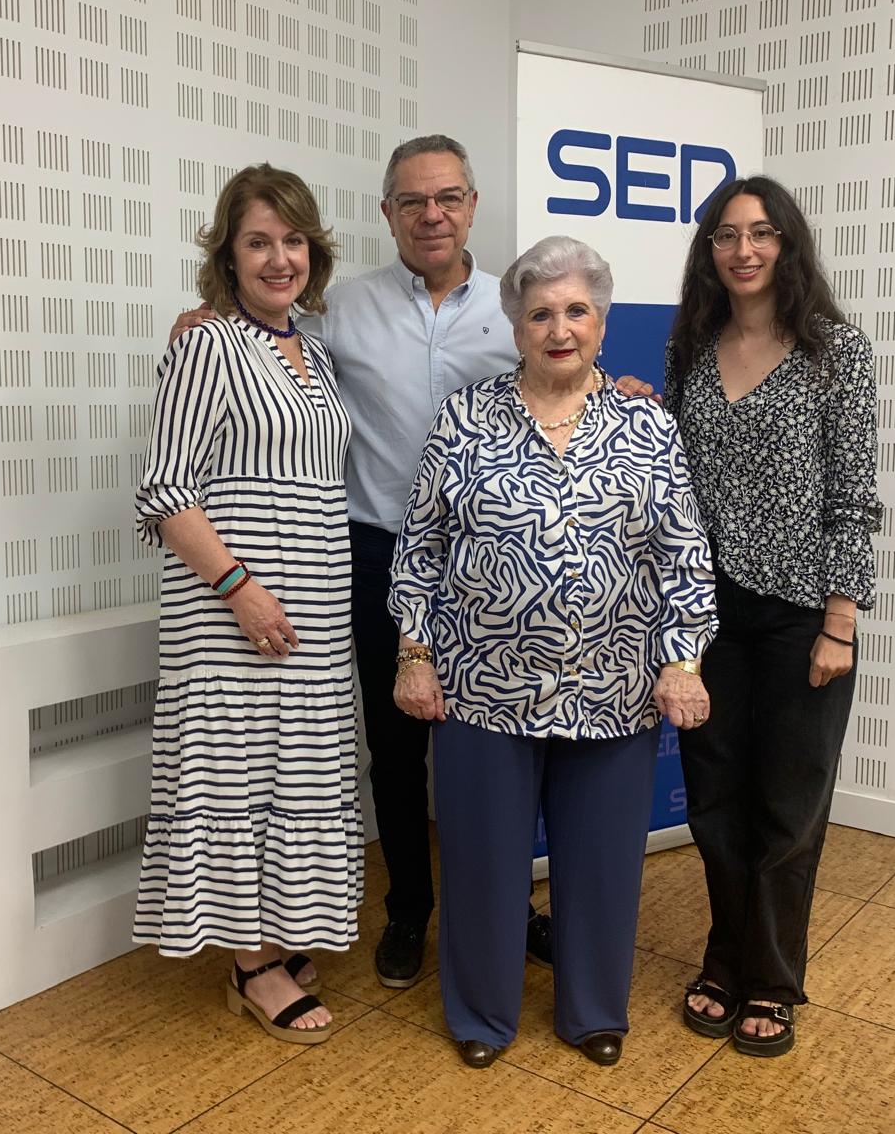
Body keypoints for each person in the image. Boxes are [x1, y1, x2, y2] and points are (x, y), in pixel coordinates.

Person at [171, 136, 548, 991]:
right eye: (412, 201)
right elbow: (253, 337)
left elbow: (567, 373)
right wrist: (204, 316)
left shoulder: (514, 306)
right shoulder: (336, 312)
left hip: (495, 562)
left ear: (473, 203)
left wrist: (623, 388)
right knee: (394, 743)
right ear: (387, 214)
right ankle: (410, 907)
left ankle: (509, 909)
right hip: (374, 552)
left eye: (448, 197)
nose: (432, 215)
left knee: (498, 740)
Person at [388, 235, 717, 1069]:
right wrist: (413, 653)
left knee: (602, 867)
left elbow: (685, 555)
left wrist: (683, 662)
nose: (559, 327)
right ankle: (480, 1015)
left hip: (614, 690)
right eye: (540, 312)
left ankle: (593, 1010)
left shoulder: (648, 424)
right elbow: (419, 547)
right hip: (481, 689)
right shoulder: (466, 418)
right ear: (516, 326)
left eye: (576, 310)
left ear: (601, 323)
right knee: (483, 865)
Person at [132, 164, 363, 1045]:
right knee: (235, 776)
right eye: (259, 242)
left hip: (313, 612)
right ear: (227, 255)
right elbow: (164, 489)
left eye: (293, 240)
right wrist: (240, 590)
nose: (279, 258)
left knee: (292, 775)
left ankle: (272, 933)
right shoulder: (207, 344)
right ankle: (251, 965)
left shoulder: (315, 348)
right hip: (234, 611)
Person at [658, 175, 881, 1057]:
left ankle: (773, 978)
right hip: (709, 618)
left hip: (803, 620)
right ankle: (724, 957)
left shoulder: (837, 352)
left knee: (789, 810)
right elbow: (667, 474)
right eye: (724, 235)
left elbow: (854, 499)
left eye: (759, 233)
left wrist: (841, 622)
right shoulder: (691, 349)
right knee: (716, 802)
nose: (742, 250)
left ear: (787, 243)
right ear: (708, 252)